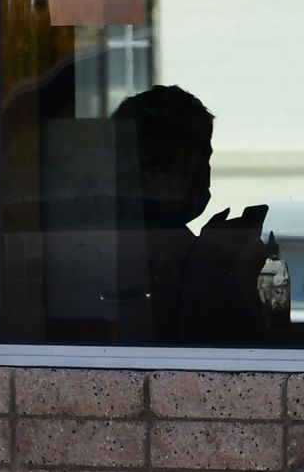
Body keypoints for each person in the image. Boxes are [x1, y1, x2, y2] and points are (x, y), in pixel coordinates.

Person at [113, 85, 281, 346]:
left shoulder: (114, 232)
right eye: (204, 158)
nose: (205, 173)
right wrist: (229, 267)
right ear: (182, 162)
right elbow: (242, 355)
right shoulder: (154, 246)